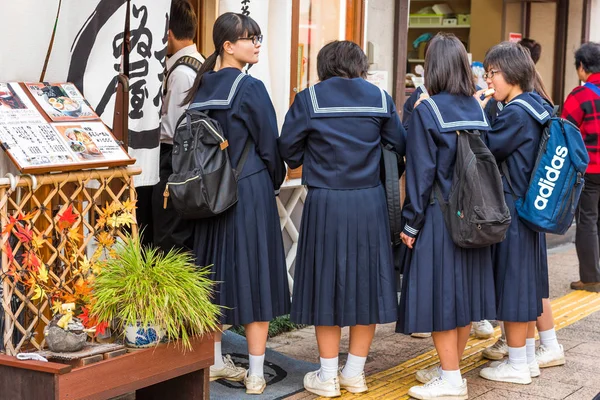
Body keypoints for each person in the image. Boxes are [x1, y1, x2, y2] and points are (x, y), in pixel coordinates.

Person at [279, 40, 406, 397]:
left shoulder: (310, 98)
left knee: (326, 287)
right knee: (366, 286)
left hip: (326, 203)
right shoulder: (380, 98)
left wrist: (316, 156)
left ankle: (327, 376)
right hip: (369, 203)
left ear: (324, 66)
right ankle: (354, 372)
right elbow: (399, 144)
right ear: (360, 65)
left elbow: (287, 149)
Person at [185, 12, 290, 395]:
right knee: (255, 279)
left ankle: (213, 361)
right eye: (250, 38)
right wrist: (272, 181)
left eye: (259, 37)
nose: (257, 43)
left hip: (208, 197)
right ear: (227, 46)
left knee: (213, 279)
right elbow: (269, 146)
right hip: (248, 192)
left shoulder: (201, 87)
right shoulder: (250, 88)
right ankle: (257, 372)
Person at [397, 33, 496, 400]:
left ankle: (452, 379)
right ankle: (448, 368)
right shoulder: (477, 108)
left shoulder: (426, 110)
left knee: (441, 298)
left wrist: (411, 224)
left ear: (432, 67)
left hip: (440, 217)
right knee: (464, 297)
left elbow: (421, 174)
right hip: (475, 215)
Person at [476, 42, 553, 385]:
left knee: (515, 287)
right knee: (525, 285)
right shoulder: (538, 104)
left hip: (514, 209)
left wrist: (478, 110)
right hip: (531, 209)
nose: (489, 80)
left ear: (510, 72)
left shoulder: (515, 113)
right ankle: (524, 360)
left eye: (492, 73)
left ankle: (519, 365)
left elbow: (487, 149)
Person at [151, 0, 203, 252]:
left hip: (174, 162)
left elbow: (171, 129)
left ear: (167, 33)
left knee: (169, 237)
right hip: (188, 162)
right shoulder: (199, 62)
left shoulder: (181, 72)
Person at [563, 42, 600, 293]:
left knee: (587, 220)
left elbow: (564, 132)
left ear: (582, 67)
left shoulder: (580, 95)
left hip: (589, 168)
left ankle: (590, 277)